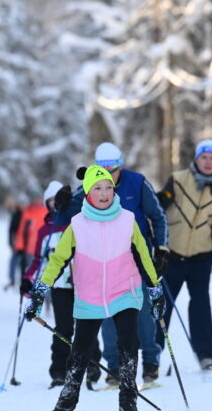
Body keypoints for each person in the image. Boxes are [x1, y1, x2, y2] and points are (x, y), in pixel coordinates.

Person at [25, 165, 165, 411]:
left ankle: (129, 407)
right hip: (89, 296)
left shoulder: (127, 220)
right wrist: (40, 292)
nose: (104, 193)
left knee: (128, 343)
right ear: (88, 193)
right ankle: (64, 408)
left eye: (109, 187)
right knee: (80, 351)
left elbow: (144, 256)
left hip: (124, 291)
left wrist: (155, 289)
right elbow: (57, 261)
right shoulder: (77, 225)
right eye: (97, 188)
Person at [60, 142, 169, 385]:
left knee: (143, 312)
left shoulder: (137, 183)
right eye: (104, 169)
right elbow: (66, 215)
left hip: (137, 257)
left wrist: (162, 249)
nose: (109, 176)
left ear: (121, 166)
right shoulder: (91, 184)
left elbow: (158, 216)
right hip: (104, 262)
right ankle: (115, 368)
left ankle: (150, 363)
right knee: (108, 315)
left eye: (114, 169)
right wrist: (62, 203)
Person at [156, 138, 212, 371]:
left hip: (201, 256)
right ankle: (153, 353)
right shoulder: (178, 180)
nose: (208, 162)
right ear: (196, 159)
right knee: (162, 306)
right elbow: (157, 210)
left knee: (201, 306)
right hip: (173, 255)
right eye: (204, 157)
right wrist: (163, 198)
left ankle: (205, 355)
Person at [22, 180, 101, 388]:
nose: (55, 204)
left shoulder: (79, 222)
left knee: (87, 326)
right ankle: (59, 371)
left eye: (58, 200)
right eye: (50, 201)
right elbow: (39, 260)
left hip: (83, 284)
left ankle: (92, 365)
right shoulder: (45, 230)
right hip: (60, 287)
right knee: (63, 329)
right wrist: (28, 280)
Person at [15, 195, 47, 279]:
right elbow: (21, 230)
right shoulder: (28, 211)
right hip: (31, 249)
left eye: (39, 198)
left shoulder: (47, 211)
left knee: (44, 273)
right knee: (31, 272)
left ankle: (40, 286)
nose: (37, 200)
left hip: (45, 247)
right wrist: (20, 246)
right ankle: (30, 285)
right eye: (35, 198)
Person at [5, 198, 24, 290]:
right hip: (16, 243)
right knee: (14, 262)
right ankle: (12, 280)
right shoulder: (15, 215)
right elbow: (11, 230)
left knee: (22, 263)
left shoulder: (26, 214)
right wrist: (12, 243)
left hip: (25, 244)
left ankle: (22, 280)